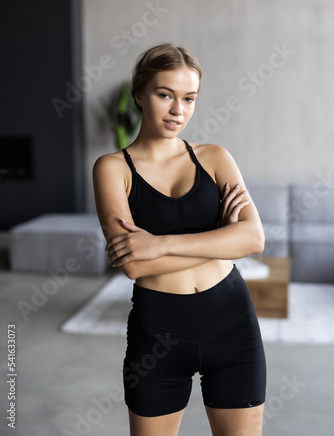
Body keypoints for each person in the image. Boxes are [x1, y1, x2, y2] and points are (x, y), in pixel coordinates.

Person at [92, 43, 267, 436]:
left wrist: (161, 243)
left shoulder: (215, 157)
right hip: (158, 336)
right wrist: (220, 238)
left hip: (233, 325)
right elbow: (134, 264)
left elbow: (254, 238)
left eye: (189, 98)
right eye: (165, 95)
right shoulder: (112, 169)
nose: (178, 110)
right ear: (139, 94)